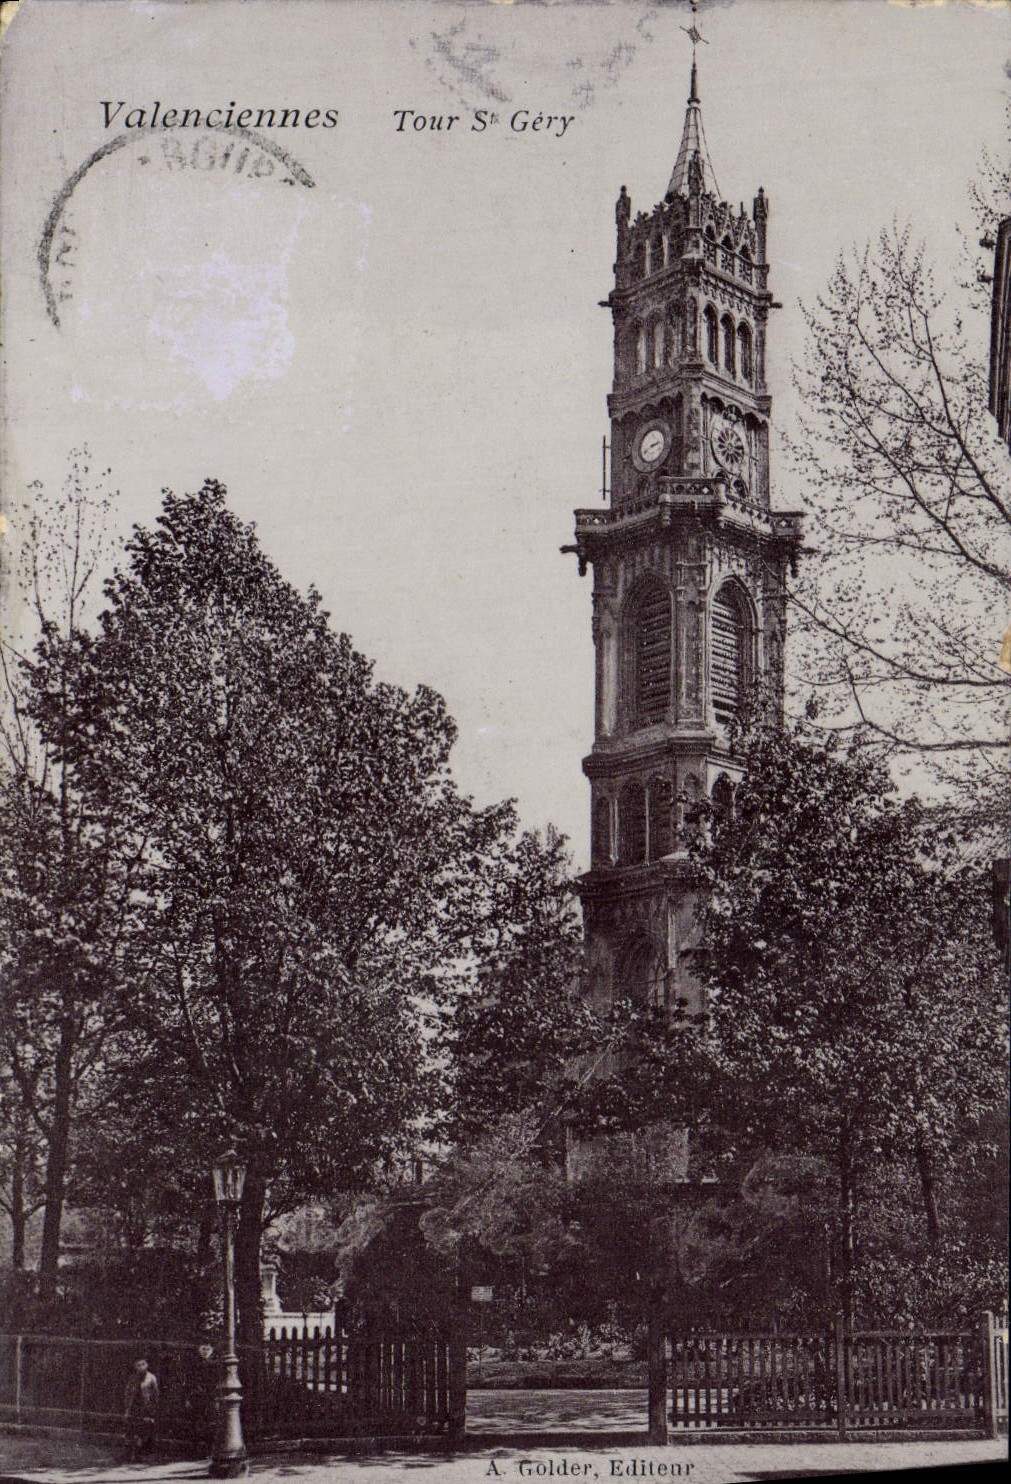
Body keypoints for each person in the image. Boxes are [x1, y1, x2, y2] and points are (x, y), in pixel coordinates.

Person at [124, 1357, 159, 1460]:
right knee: (132, 1430)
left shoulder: (151, 1378)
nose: (141, 1367)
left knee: (143, 1430)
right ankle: (130, 1454)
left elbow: (155, 1394)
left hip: (146, 1408)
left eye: (143, 1364)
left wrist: (153, 1409)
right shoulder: (133, 1378)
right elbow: (128, 1393)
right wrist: (127, 1407)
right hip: (134, 1407)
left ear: (147, 1365)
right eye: (138, 1365)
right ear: (135, 1367)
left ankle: (140, 1453)